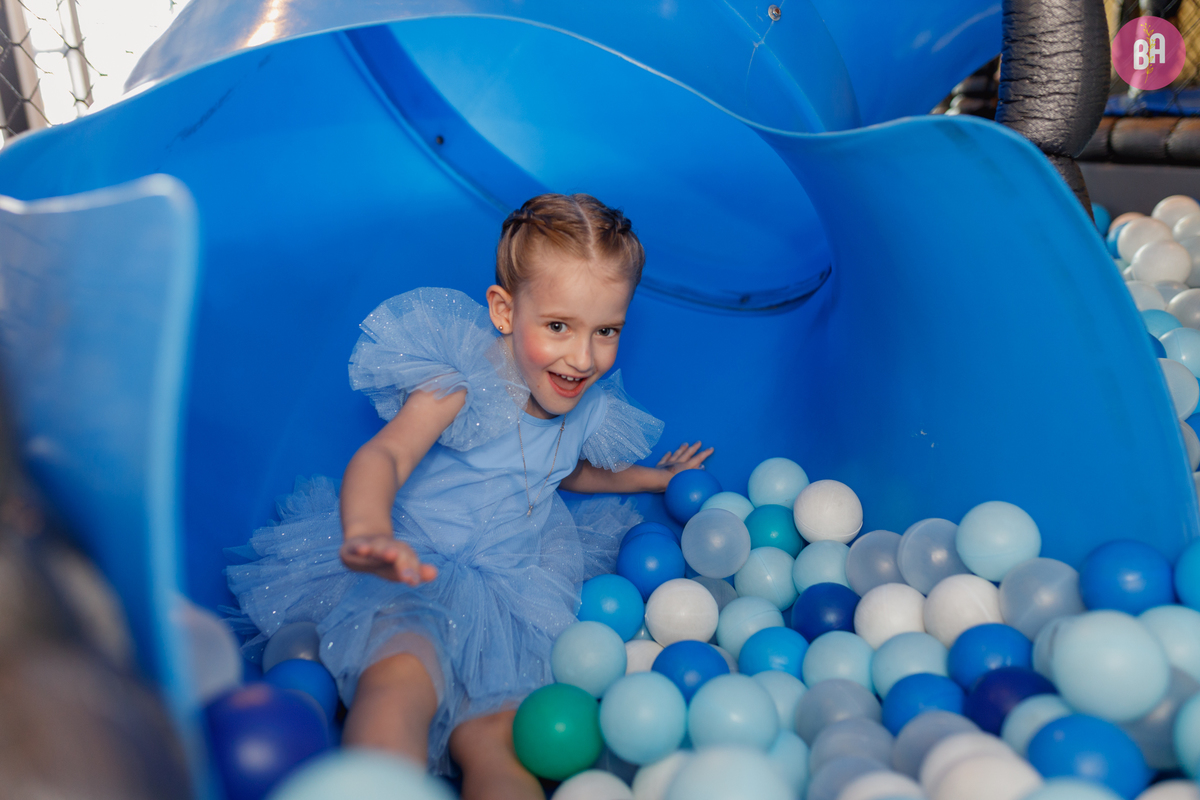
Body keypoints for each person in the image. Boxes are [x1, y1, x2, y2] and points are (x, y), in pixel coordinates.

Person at [227, 193, 713, 799]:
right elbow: (386, 454)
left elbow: (570, 471)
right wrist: (368, 528)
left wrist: (652, 478)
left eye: (606, 330)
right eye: (559, 326)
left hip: (512, 585)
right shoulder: (463, 381)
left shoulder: (589, 402)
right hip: (416, 563)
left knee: (499, 736)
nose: (582, 357)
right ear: (505, 311)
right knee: (397, 683)